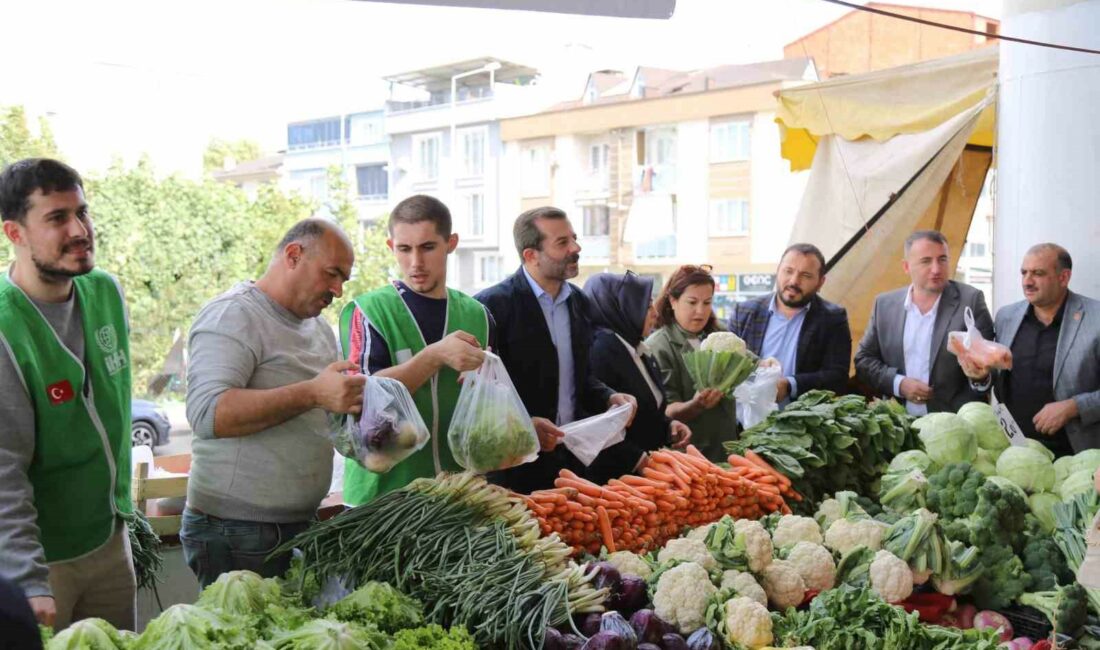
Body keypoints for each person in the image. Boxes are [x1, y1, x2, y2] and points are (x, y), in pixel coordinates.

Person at [182, 219, 362, 588]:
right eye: (332, 274)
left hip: (298, 524)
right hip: (236, 531)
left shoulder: (319, 329)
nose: (338, 291)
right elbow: (208, 413)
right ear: (294, 255)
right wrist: (312, 393)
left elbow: (323, 403)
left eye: (344, 279)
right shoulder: (233, 315)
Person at [0, 158, 136, 631]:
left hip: (109, 540)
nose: (80, 229)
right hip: (42, 561)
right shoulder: (5, 327)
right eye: (57, 218)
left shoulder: (105, 292)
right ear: (14, 233)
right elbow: (3, 469)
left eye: (83, 212)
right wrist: (28, 579)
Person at [339, 195, 493, 503]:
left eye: (427, 247)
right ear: (390, 247)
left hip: (456, 497)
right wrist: (434, 356)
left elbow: (485, 399)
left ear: (451, 243)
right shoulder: (368, 311)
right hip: (381, 502)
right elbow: (362, 397)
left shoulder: (477, 314)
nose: (415, 263)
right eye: (404, 249)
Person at [475, 206, 635, 493]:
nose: (576, 248)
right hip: (515, 471)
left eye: (573, 238)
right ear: (530, 255)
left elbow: (581, 377)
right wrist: (524, 426)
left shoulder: (579, 302)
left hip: (572, 464)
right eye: (562, 243)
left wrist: (609, 396)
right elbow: (482, 394)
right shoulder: (490, 307)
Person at [965, 244, 1100, 456]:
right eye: (1024, 273)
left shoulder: (1095, 319)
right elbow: (996, 378)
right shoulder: (1006, 317)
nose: (1027, 281)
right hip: (1013, 451)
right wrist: (981, 377)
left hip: (1075, 454)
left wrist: (1073, 407)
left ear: (1063, 277)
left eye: (1038, 273)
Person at [855, 230, 993, 415]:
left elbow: (990, 365)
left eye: (942, 259)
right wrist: (899, 384)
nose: (936, 269)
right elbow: (864, 360)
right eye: (926, 261)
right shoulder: (885, 305)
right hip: (899, 424)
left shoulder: (971, 301)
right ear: (906, 267)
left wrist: (980, 378)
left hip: (954, 423)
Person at [583, 272, 692, 483]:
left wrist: (667, 426)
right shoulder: (601, 349)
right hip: (616, 483)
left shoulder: (634, 347)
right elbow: (598, 421)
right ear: (622, 307)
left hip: (648, 477)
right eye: (647, 306)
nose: (655, 313)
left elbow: (647, 409)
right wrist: (640, 460)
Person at [729, 243, 852, 402]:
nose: (794, 281)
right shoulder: (745, 312)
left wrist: (789, 385)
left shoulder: (832, 319)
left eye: (806, 275)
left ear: (820, 282)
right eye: (788, 271)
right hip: (745, 420)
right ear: (778, 271)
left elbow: (837, 377)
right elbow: (728, 363)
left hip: (803, 421)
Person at [645, 264, 736, 461]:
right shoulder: (658, 346)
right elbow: (667, 410)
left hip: (727, 448)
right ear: (673, 300)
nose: (700, 311)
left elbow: (750, 362)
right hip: (688, 458)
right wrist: (696, 405)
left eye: (707, 302)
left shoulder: (719, 334)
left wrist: (764, 366)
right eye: (692, 302)